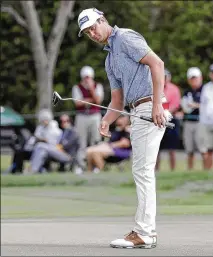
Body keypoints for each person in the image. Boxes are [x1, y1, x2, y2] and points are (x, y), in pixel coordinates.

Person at [77, 8, 172, 248]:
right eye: (87, 32)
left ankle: (144, 233)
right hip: (135, 111)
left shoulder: (125, 38)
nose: (92, 33)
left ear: (103, 20)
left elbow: (157, 64)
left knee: (143, 171)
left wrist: (156, 104)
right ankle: (145, 231)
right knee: (141, 170)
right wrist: (107, 120)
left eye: (93, 27)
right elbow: (117, 101)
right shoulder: (110, 59)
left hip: (149, 107)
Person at [72, 66, 104, 172]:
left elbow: (98, 101)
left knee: (95, 140)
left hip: (95, 116)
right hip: (82, 116)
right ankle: (81, 166)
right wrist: (91, 100)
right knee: (81, 142)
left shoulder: (97, 86)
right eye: (85, 77)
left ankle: (95, 165)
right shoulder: (77, 87)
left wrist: (91, 89)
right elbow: (77, 103)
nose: (87, 79)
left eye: (89, 77)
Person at [10, 109, 62, 173]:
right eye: (42, 120)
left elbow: (53, 142)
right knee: (19, 152)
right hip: (35, 148)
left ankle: (34, 170)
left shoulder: (55, 129)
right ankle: (16, 169)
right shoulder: (40, 127)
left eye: (45, 119)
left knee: (41, 150)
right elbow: (34, 138)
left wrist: (43, 140)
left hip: (49, 150)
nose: (44, 122)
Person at [180, 67, 208, 170]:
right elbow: (184, 106)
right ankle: (190, 171)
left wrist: (195, 105)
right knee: (189, 149)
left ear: (200, 78)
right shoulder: (187, 92)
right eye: (192, 78)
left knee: (203, 149)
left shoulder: (206, 90)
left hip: (201, 122)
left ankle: (206, 171)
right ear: (188, 80)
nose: (194, 80)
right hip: (188, 122)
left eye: (195, 78)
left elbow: (209, 106)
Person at [155, 69, 181, 171]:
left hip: (171, 120)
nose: (164, 79)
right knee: (157, 148)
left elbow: (175, 105)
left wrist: (165, 113)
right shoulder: (155, 87)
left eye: (166, 77)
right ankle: (156, 170)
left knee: (172, 148)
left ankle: (172, 170)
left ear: (169, 78)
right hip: (158, 120)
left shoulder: (174, 89)